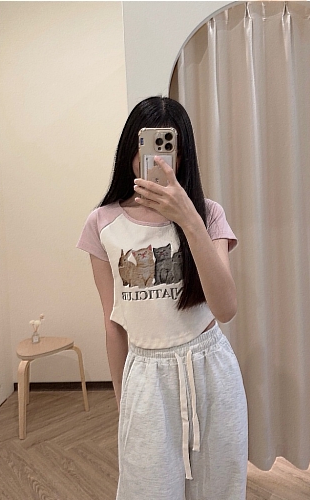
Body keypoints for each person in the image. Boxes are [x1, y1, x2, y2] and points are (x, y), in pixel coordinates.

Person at [76, 96, 248, 500]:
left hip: (211, 372)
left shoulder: (207, 214)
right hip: (146, 378)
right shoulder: (102, 223)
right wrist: (123, 402)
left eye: (169, 147)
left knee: (219, 491)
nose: (155, 159)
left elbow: (226, 308)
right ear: (130, 150)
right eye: (146, 145)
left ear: (183, 156)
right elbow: (113, 323)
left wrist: (188, 217)